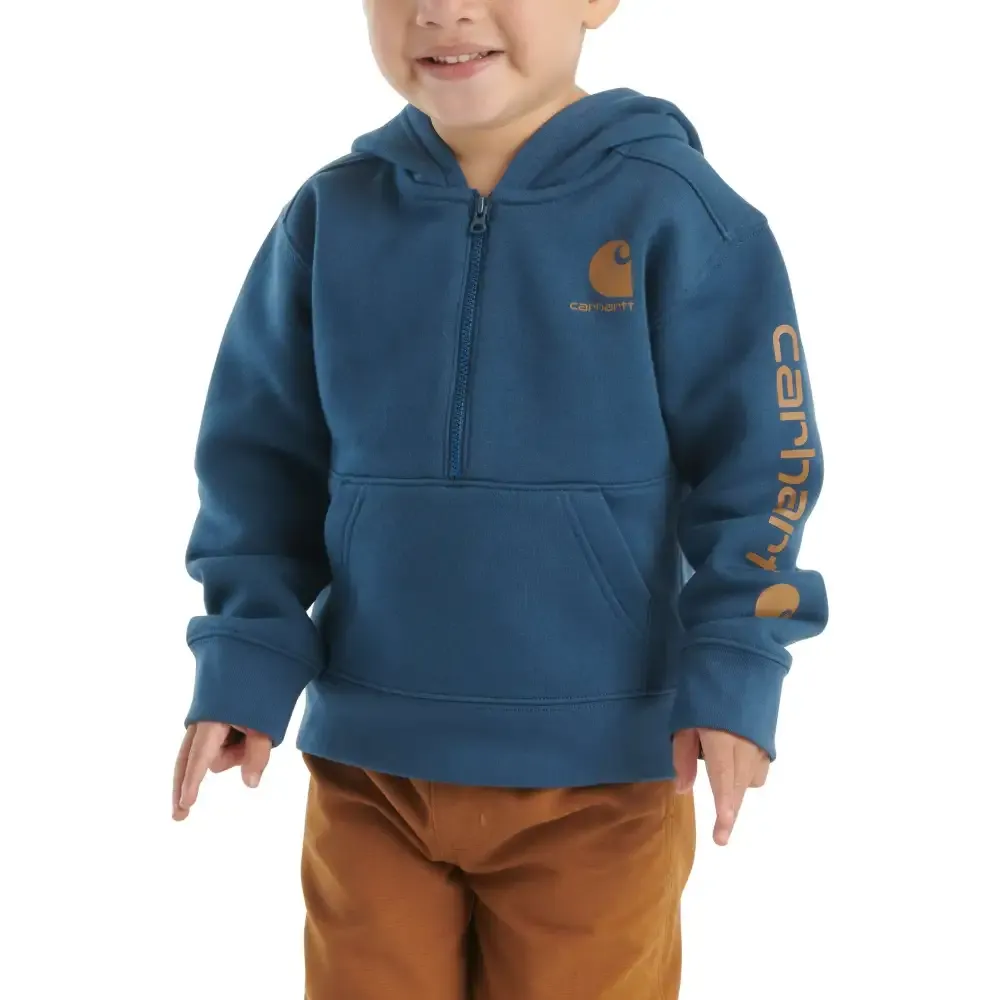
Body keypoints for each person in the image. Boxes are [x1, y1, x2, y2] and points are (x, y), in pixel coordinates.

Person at [171, 1, 828, 996]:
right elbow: (257, 458)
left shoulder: (682, 216)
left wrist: (737, 668)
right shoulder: (331, 217)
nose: (443, 9)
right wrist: (246, 657)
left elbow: (764, 470)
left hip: (600, 777)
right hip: (370, 770)